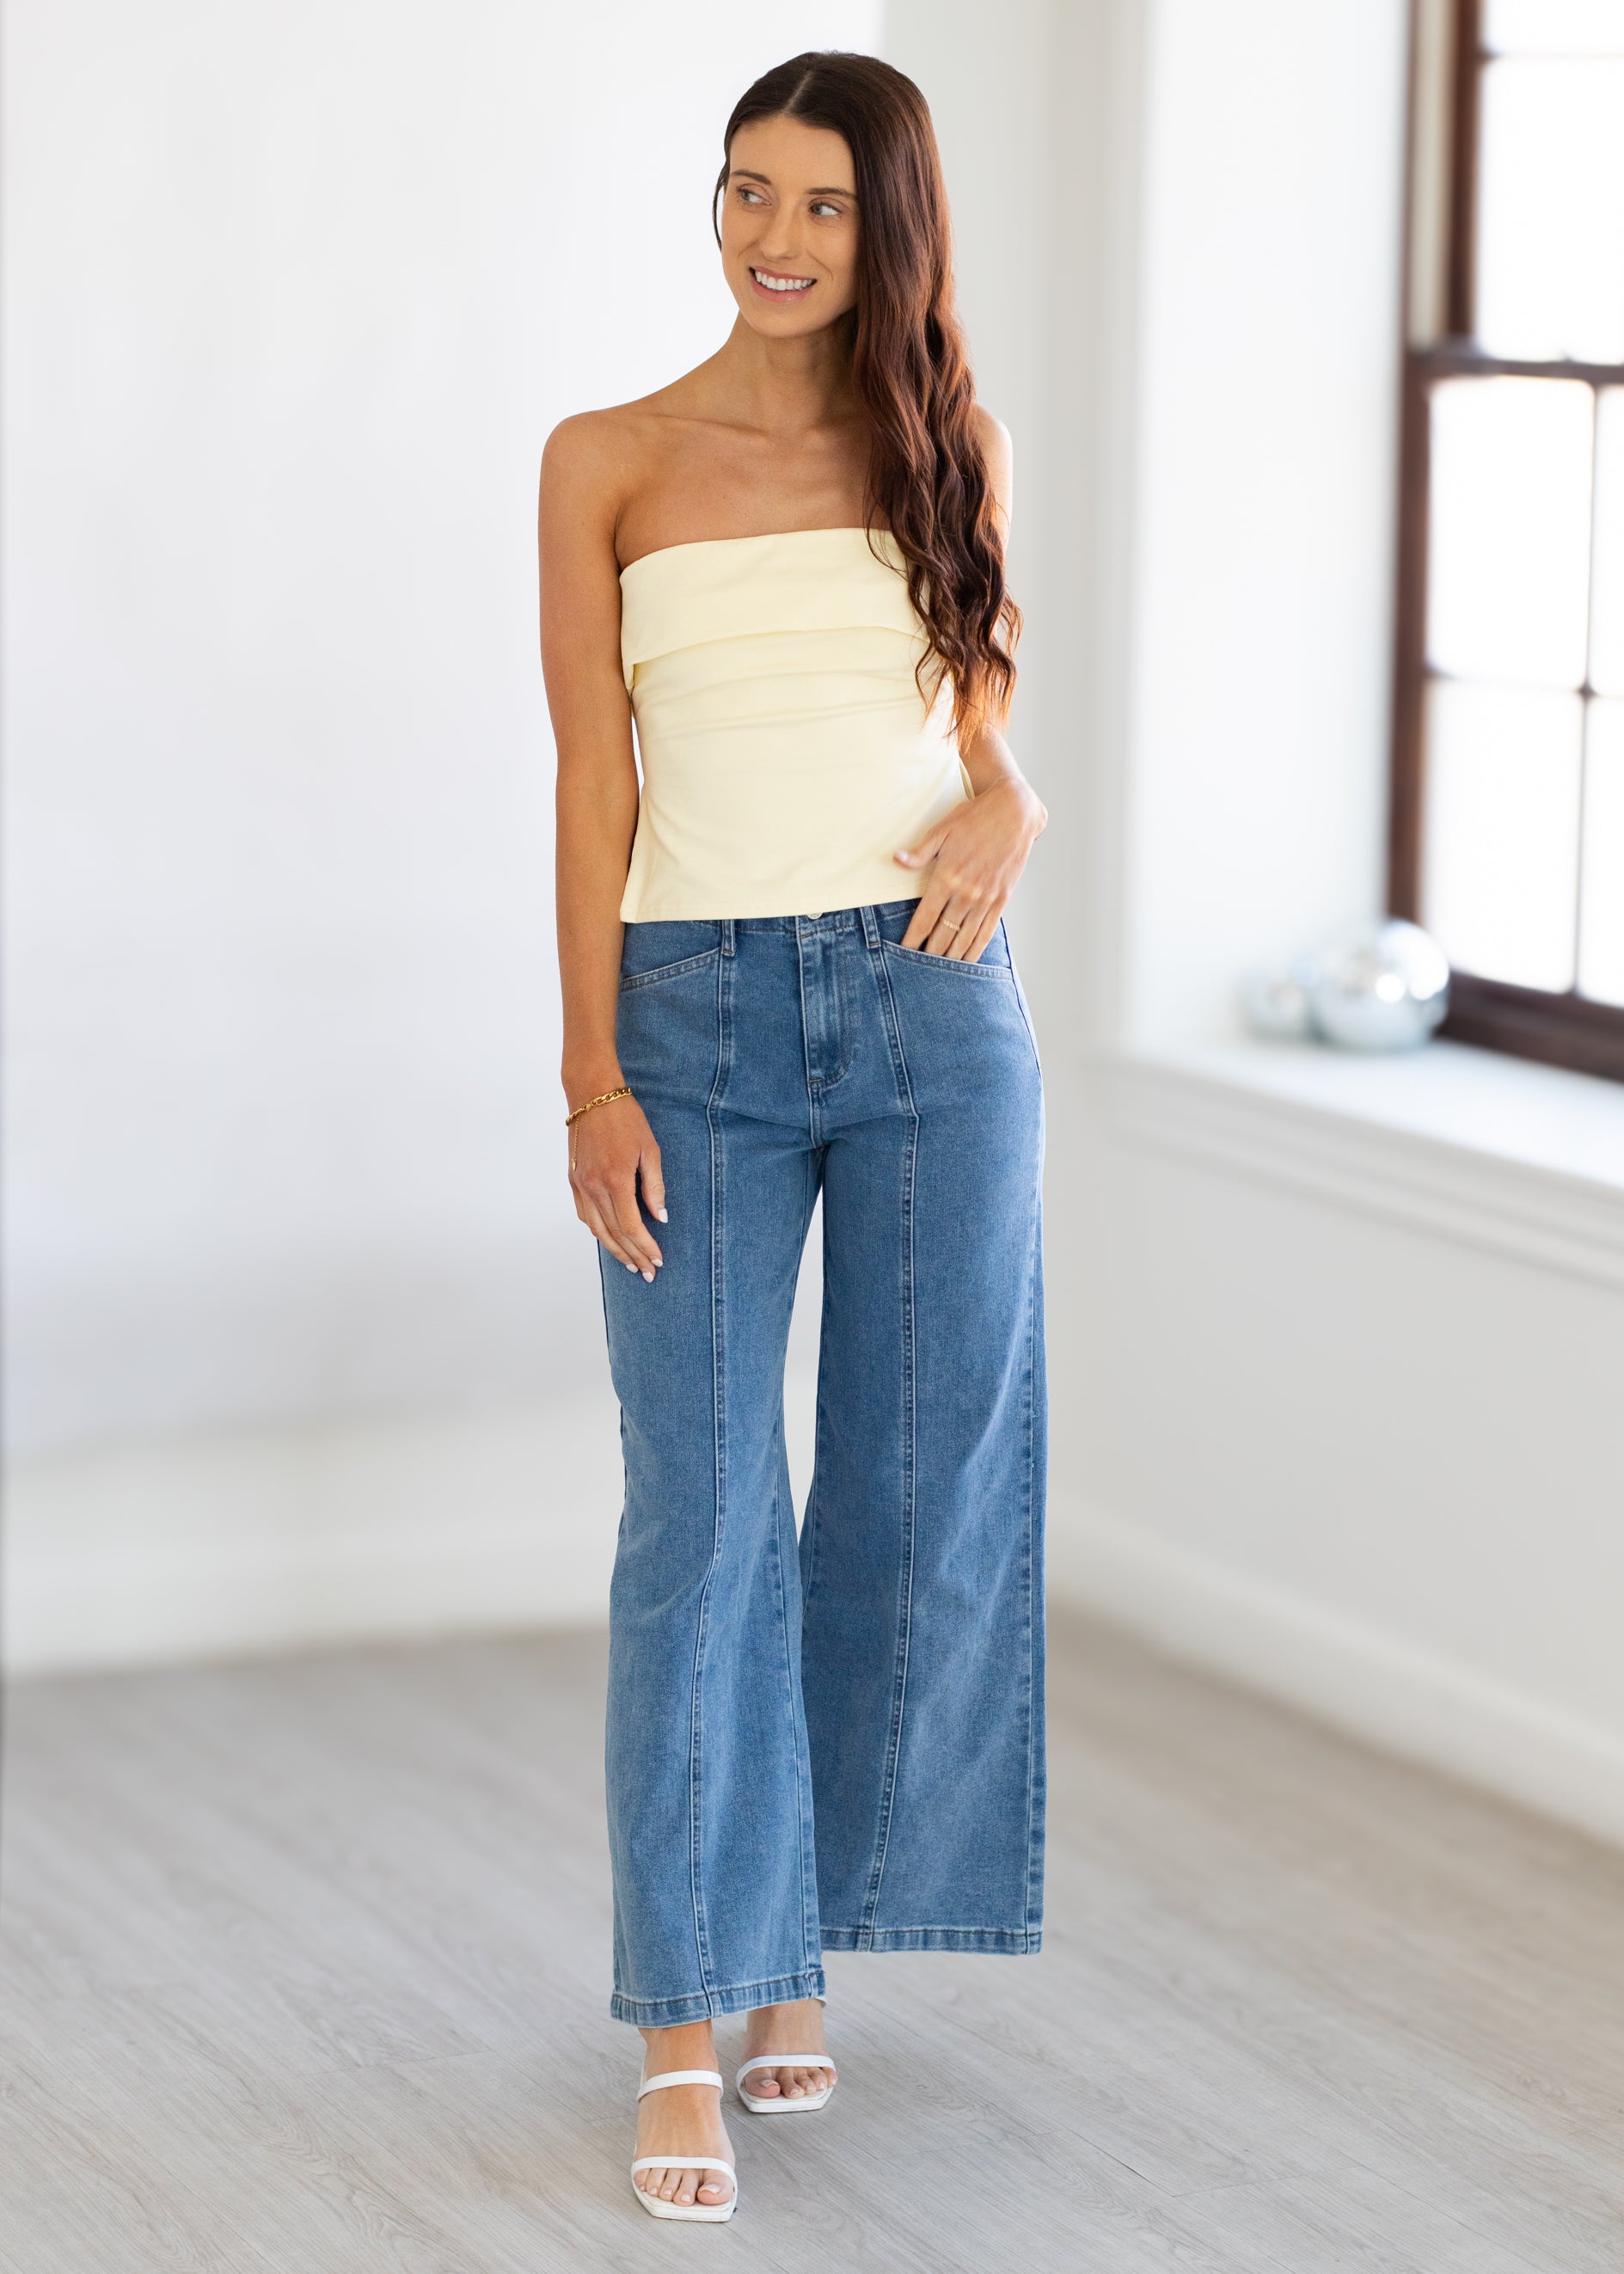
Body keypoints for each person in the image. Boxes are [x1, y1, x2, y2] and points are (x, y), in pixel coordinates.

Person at [537, 48, 1047, 2225]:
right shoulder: (606, 462)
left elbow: (976, 719)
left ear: (890, 228)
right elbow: (591, 784)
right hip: (702, 1020)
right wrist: (591, 1075)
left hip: (936, 1007)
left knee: (921, 1498)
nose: (773, 237)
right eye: (749, 192)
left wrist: (1019, 794)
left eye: (824, 206)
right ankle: (684, 2016)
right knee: (705, 1517)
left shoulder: (948, 441)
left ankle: (793, 1952)